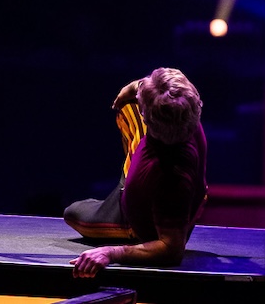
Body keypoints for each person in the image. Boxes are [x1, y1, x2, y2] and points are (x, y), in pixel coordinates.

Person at [64, 67, 207, 277]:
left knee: (72, 214)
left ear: (146, 119)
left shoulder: (171, 178)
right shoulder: (183, 108)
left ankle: (123, 227)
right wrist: (133, 88)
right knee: (126, 104)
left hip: (129, 220)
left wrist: (111, 253)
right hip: (147, 172)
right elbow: (158, 88)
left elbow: (171, 250)